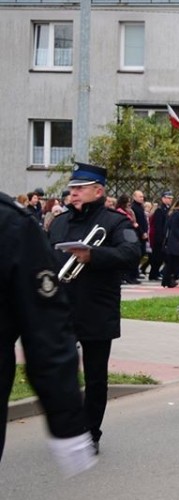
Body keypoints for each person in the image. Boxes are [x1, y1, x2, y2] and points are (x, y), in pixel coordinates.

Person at [0, 191, 97, 477]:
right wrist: (67, 426)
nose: (75, 193)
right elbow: (45, 331)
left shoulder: (12, 221)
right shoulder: (11, 221)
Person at [47, 163, 141, 454]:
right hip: (61, 308)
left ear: (98, 190)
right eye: (72, 189)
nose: (72, 193)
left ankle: (91, 432)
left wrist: (94, 255)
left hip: (97, 308)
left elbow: (131, 253)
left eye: (79, 189)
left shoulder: (115, 222)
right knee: (57, 373)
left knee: (96, 377)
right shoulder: (59, 222)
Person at [149, 191, 173, 281]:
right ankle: (153, 274)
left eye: (171, 198)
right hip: (159, 237)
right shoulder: (160, 210)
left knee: (161, 257)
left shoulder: (168, 209)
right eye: (168, 198)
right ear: (163, 198)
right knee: (157, 257)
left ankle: (156, 273)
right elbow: (158, 225)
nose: (170, 200)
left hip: (165, 237)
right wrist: (160, 237)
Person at [131, 190, 149, 278]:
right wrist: (142, 232)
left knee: (142, 253)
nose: (142, 198)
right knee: (138, 253)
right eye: (140, 197)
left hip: (143, 233)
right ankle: (133, 273)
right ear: (134, 197)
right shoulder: (134, 207)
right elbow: (136, 222)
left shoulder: (140, 207)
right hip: (138, 233)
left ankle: (136, 271)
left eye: (142, 196)